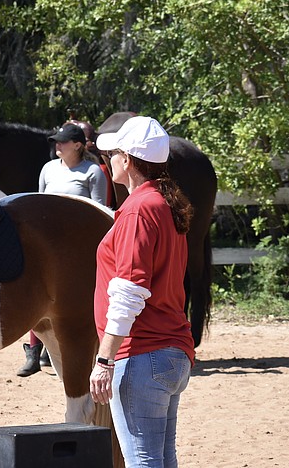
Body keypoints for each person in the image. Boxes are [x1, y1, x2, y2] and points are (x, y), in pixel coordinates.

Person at [89, 116, 195, 467]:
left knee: (144, 461)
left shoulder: (138, 209)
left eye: (115, 153)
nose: (110, 159)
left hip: (142, 352)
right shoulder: (164, 204)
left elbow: (129, 291)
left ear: (128, 160)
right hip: (171, 349)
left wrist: (104, 359)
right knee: (161, 459)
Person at [17, 122, 109, 377]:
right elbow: (38, 207)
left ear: (78, 145)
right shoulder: (47, 169)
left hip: (78, 246)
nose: (58, 145)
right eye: (56, 141)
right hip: (49, 245)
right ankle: (34, 352)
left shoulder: (93, 172)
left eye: (63, 141)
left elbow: (100, 211)